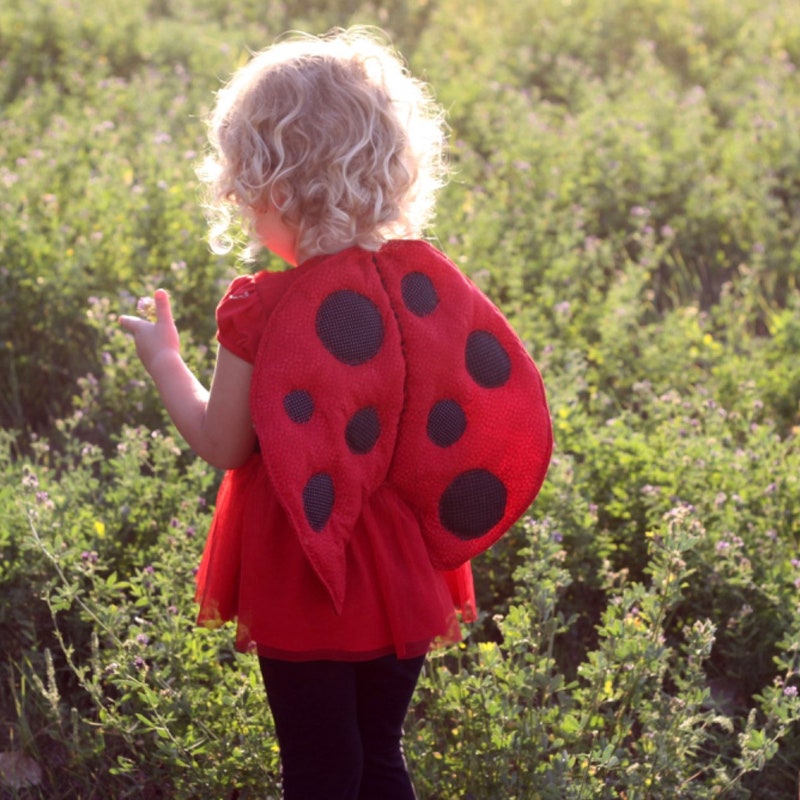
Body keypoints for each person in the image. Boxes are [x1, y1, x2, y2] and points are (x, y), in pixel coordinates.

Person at [120, 27, 551, 800]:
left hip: (305, 572)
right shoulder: (419, 287)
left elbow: (224, 443)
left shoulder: (261, 309)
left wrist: (165, 363)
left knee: (320, 770)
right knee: (379, 758)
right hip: (404, 568)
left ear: (274, 190)